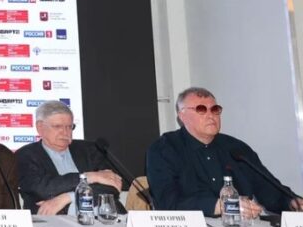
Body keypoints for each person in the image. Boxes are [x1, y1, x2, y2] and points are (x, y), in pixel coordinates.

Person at [146, 87, 303, 217]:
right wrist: (220, 206)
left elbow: (269, 190)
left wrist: (292, 202)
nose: (210, 115)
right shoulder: (164, 149)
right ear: (182, 116)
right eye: (201, 109)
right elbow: (167, 202)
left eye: (215, 109)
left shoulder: (237, 149)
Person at [16, 100, 124, 215]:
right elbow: (42, 189)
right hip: (55, 220)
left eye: (69, 127)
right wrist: (88, 177)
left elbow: (112, 186)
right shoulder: (25, 155)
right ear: (40, 127)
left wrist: (67, 197)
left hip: (104, 216)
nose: (65, 132)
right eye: (58, 126)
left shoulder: (90, 150)